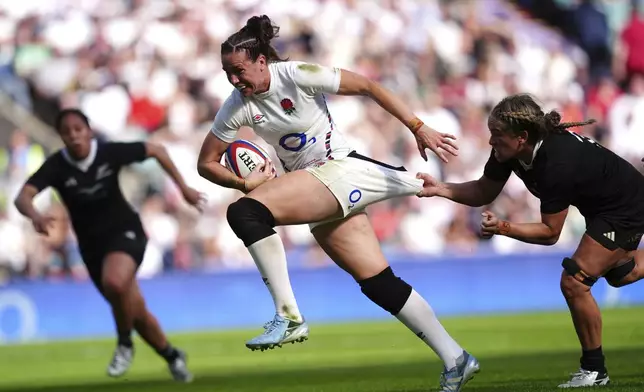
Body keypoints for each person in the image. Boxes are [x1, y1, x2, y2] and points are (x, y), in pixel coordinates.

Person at [197, 15, 479, 392]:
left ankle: (288, 315)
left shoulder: (295, 74)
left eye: (239, 70)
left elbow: (366, 85)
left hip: (338, 170)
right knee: (379, 283)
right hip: (320, 186)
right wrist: (240, 181)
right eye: (226, 73)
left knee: (245, 211)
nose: (234, 80)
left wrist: (417, 126)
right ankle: (457, 359)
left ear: (261, 62)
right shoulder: (237, 105)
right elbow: (205, 163)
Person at [417, 93, 644, 388]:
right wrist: (442, 189)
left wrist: (503, 227)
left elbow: (550, 233)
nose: (490, 142)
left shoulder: (555, 162)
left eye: (497, 135)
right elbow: (484, 191)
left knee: (575, 281)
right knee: (619, 275)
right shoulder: (509, 152)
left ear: (522, 137)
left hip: (626, 207)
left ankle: (594, 369)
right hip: (604, 206)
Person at [14, 109, 203, 382]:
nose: (74, 135)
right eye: (67, 131)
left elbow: (157, 150)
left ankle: (124, 343)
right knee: (134, 310)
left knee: (115, 284)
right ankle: (173, 356)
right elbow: (23, 196)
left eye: (79, 128)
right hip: (92, 248)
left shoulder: (108, 153)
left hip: (126, 231)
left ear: (89, 131)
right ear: (61, 136)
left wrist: (184, 189)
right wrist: (35, 215)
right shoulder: (57, 166)